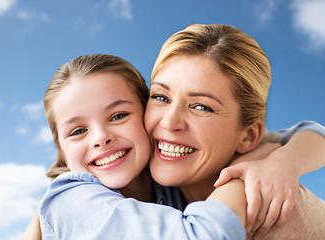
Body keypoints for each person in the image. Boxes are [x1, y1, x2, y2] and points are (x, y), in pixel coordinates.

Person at [25, 46, 325, 239]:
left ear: (145, 113)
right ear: (61, 151)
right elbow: (205, 235)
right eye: (77, 131)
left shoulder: (167, 178)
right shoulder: (70, 200)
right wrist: (245, 170)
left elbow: (305, 133)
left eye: (118, 116)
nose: (101, 137)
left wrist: (284, 161)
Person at [144, 23, 325, 239]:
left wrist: (284, 162)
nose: (169, 122)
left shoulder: (270, 211)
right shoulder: (127, 170)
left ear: (248, 136)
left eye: (202, 107)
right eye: (161, 97)